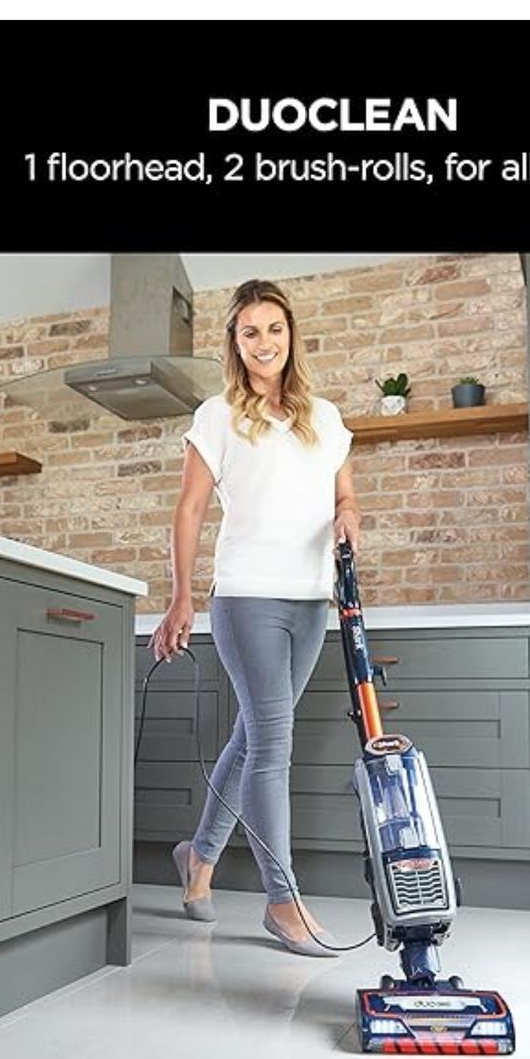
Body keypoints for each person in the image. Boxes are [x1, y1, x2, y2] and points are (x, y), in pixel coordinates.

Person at [148, 278, 360, 957]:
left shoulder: (323, 418)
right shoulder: (219, 415)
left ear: (290, 335)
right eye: (250, 332)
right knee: (272, 744)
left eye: (274, 328)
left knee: (252, 736)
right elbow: (187, 510)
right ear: (235, 344)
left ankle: (198, 860)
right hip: (245, 596)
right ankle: (283, 902)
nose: (264, 342)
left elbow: (344, 495)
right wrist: (181, 597)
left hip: (310, 598)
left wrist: (350, 519)